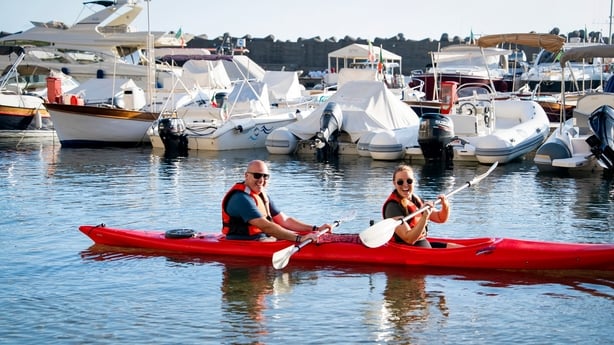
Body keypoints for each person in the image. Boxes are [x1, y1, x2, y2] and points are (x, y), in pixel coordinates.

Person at [222, 160, 332, 243]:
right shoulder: (241, 199)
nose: (261, 180)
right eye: (257, 175)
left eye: (265, 176)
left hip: (264, 238)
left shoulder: (260, 195)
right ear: (246, 176)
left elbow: (285, 220)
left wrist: (315, 229)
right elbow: (266, 227)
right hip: (244, 243)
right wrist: (301, 238)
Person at [382, 164, 461, 248]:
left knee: (456, 247)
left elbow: (440, 218)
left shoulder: (416, 200)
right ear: (394, 183)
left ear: (414, 181)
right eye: (400, 182)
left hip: (421, 244)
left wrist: (445, 206)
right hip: (407, 250)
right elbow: (409, 239)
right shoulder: (392, 207)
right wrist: (424, 217)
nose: (405, 185)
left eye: (409, 181)